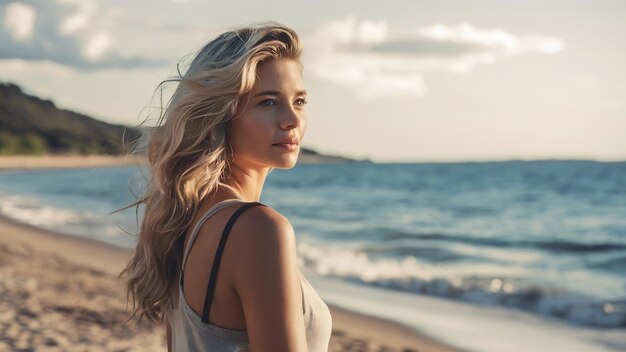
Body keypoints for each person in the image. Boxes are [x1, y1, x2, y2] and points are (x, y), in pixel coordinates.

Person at [118, 22, 332, 351]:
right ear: (221, 113)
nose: (291, 119)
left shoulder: (183, 220)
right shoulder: (259, 229)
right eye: (268, 102)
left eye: (299, 101)